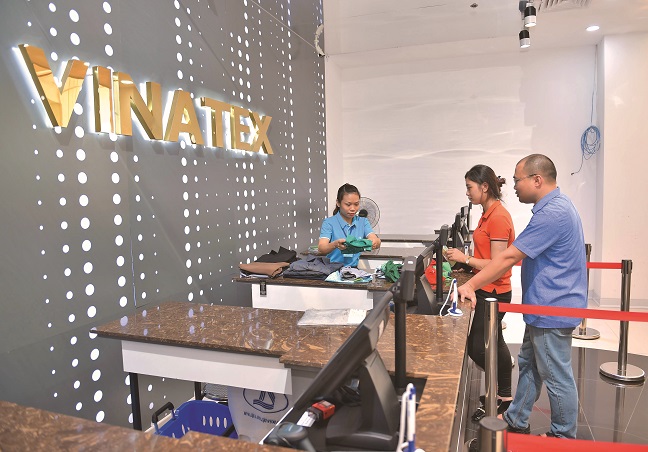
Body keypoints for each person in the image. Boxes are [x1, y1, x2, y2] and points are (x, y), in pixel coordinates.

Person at [458, 154, 587, 439]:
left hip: (552, 309)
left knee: (556, 376)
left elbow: (508, 257)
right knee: (529, 364)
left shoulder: (553, 214)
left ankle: (563, 437)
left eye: (518, 180)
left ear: (537, 180)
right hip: (542, 307)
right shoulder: (554, 207)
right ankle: (516, 417)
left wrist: (470, 285)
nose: (513, 186)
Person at [446, 165, 515, 423]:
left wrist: (466, 259)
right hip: (487, 286)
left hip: (495, 290)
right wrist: (467, 265)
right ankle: (503, 395)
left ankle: (500, 392)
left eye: (469, 187)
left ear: (484, 187)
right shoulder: (487, 214)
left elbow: (498, 264)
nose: (467, 192)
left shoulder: (498, 217)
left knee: (478, 348)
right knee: (494, 342)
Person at [318, 183, 381, 267]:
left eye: (356, 204)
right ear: (338, 203)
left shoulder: (363, 222)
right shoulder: (329, 222)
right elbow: (321, 248)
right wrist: (335, 244)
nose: (353, 209)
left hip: (353, 269)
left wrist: (375, 242)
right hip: (332, 268)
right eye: (348, 204)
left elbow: (374, 239)